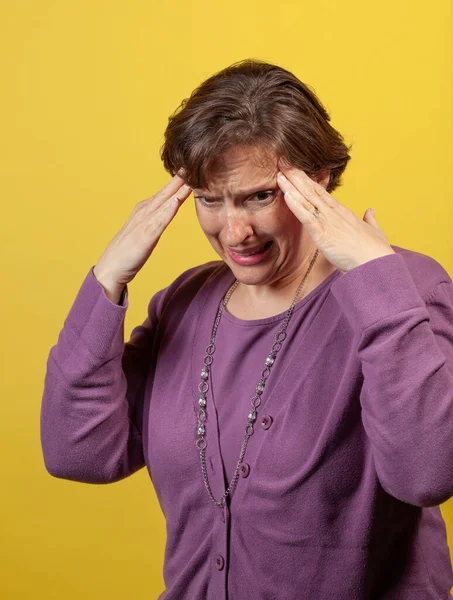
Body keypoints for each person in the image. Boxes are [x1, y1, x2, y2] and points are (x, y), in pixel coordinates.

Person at [40, 59, 453, 599]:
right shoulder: (185, 302)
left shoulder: (404, 289)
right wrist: (107, 278)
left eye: (259, 196)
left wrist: (375, 280)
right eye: (211, 200)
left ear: (318, 178)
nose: (235, 232)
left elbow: (427, 473)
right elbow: (79, 453)